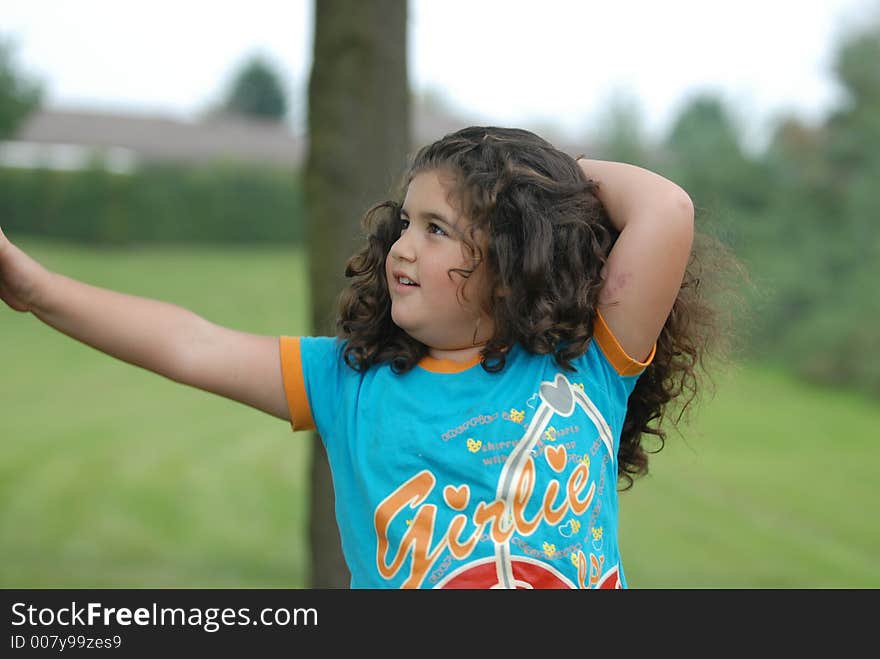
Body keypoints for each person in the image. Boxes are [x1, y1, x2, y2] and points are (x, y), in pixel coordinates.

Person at [0, 126, 730, 589]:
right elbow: (192, 344)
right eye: (406, 223)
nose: (403, 246)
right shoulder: (346, 382)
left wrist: (527, 183)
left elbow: (666, 210)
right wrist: (37, 289)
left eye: (438, 228)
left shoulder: (587, 368)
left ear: (512, 256)